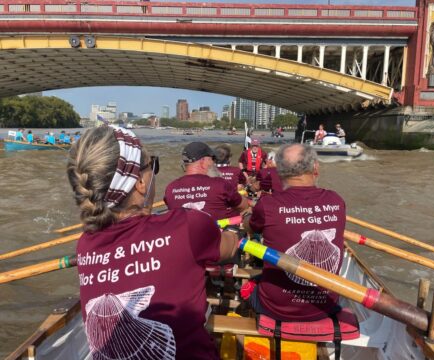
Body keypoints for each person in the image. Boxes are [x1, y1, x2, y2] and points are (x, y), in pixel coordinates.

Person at [67, 126, 239, 359]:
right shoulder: (186, 224)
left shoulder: (85, 244)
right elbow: (230, 247)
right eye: (152, 166)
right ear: (139, 182)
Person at [244, 144, 346, 321]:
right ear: (316, 167)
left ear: (280, 171)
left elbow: (251, 229)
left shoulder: (268, 204)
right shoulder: (336, 200)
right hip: (325, 304)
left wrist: (247, 217)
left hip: (277, 307)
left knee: (247, 287)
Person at [164, 142, 249, 220]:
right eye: (212, 158)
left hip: (183, 235)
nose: (213, 162)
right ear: (202, 161)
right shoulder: (219, 183)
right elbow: (243, 206)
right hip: (215, 233)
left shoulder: (170, 188)